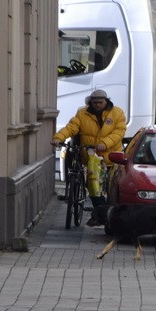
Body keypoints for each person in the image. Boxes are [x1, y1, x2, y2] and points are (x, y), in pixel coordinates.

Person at [52, 89, 127, 226]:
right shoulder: (82, 113)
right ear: (90, 102)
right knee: (93, 184)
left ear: (106, 101)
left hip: (110, 157)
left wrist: (105, 143)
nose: (97, 105)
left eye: (100, 102)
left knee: (111, 189)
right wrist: (58, 138)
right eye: (94, 102)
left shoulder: (117, 113)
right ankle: (101, 213)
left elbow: (119, 132)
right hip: (91, 156)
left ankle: (111, 214)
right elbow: (71, 127)